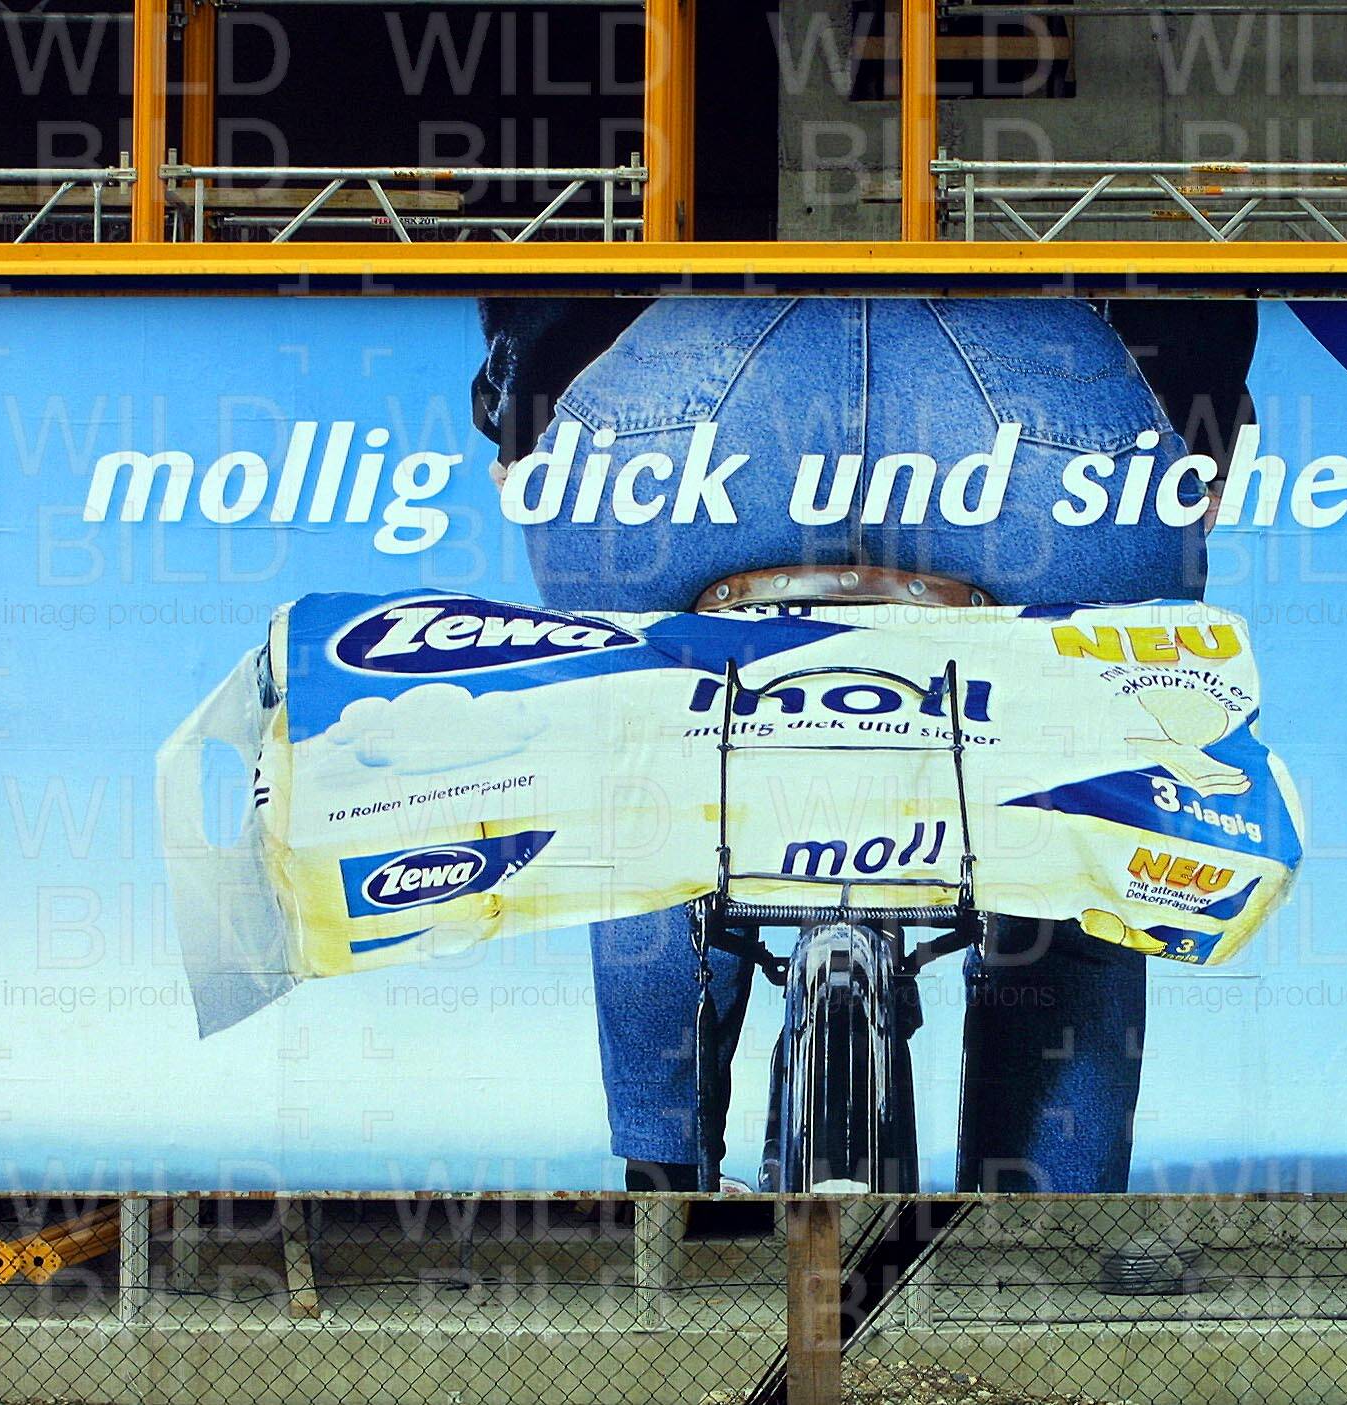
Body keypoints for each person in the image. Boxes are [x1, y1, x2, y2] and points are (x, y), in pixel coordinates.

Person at [473, 294, 1255, 1193]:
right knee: (1082, 770)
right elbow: (1187, 248)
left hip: (683, 438)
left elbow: (559, 238)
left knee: (646, 737)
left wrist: (529, 410)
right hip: (1035, 449)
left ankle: (662, 1187)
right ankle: (1047, 1219)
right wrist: (1193, 426)